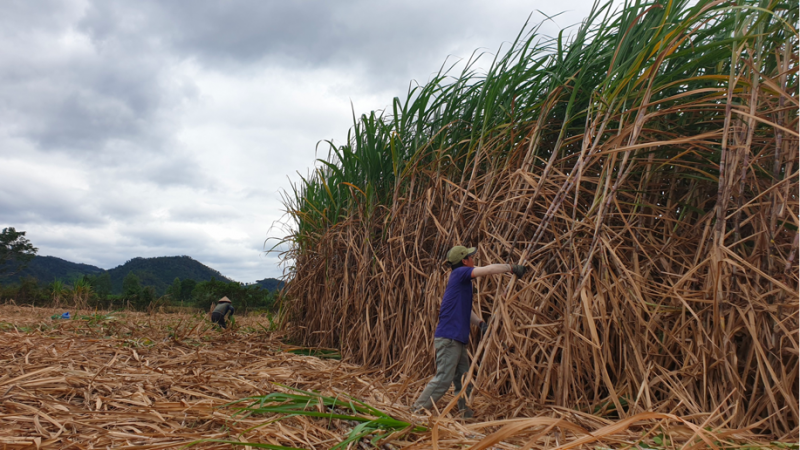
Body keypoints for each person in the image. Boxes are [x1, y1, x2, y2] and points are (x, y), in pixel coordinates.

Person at [412, 245, 527, 418]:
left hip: (457, 339)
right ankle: (416, 411)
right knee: (444, 379)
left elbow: (466, 310)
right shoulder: (459, 273)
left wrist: (480, 323)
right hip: (449, 338)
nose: (473, 260)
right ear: (464, 261)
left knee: (463, 379)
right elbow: (488, 269)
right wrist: (511, 268)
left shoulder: (461, 284)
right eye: (471, 257)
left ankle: (465, 413)